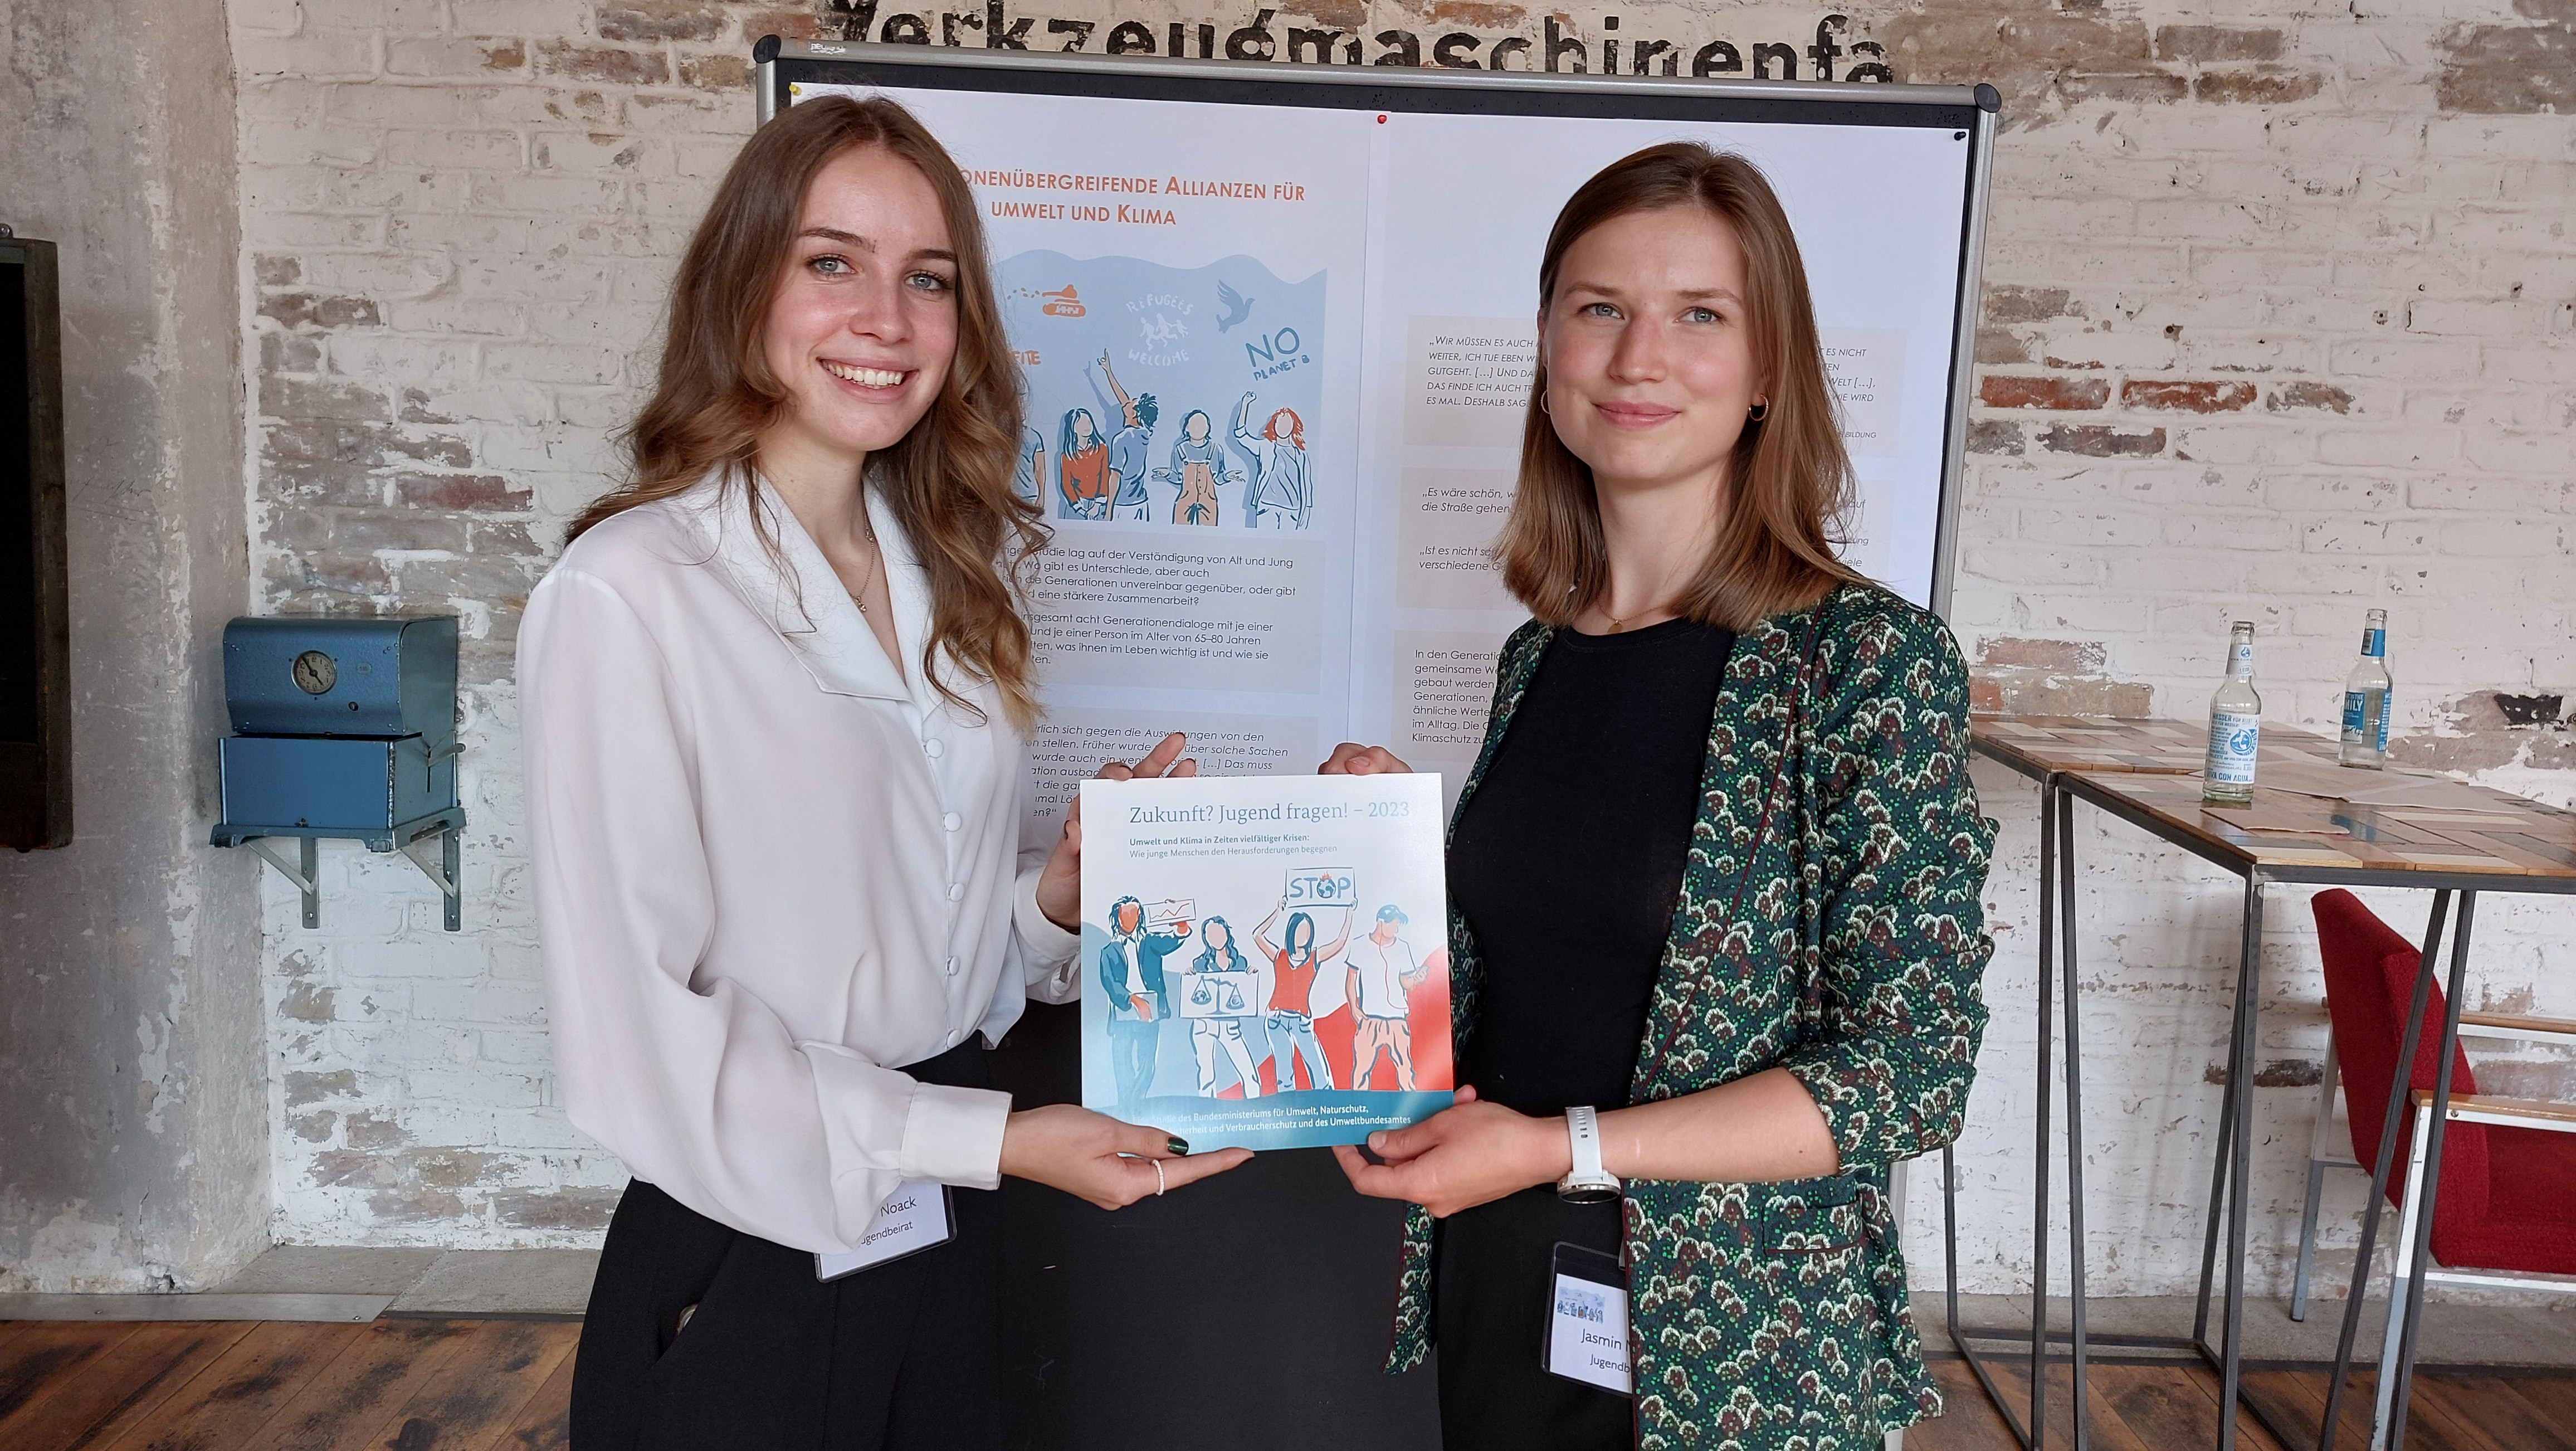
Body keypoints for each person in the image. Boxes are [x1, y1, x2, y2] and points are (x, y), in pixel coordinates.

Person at [520, 95, 1249, 1451]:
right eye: (831, 263)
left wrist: (1051, 902)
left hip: (947, 1231)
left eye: (929, 280)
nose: (887, 319)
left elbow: (924, 957)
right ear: (741, 286)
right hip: (751, 1240)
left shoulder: (944, 578)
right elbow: (640, 1043)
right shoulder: (628, 594)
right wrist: (996, 1141)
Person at [1321, 143, 1995, 1450]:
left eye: (1698, 315)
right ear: (1546, 348)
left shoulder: (1865, 663)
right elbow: (1550, 975)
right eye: (1599, 309)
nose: (1638, 358)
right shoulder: (1538, 655)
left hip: (1733, 1346)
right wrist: (1378, 858)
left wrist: (1558, 1150)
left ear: (1766, 371)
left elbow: (1908, 1073)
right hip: (1502, 1274)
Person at [1253, 900, 1352, 1092]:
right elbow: (1257, 936)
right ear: (1291, 932)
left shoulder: (1315, 957)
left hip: (1301, 1021)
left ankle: (1327, 1101)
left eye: (1307, 931)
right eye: (1299, 931)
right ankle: (1288, 1103)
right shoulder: (1279, 956)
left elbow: (1340, 943)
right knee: (1284, 1074)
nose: (1303, 936)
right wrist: (1278, 911)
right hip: (1276, 1019)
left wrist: (1349, 913)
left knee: (1319, 1071)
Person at [1097, 896, 1188, 1107]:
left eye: (1135, 914)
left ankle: (1134, 1105)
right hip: (1123, 1011)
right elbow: (1110, 983)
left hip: (1152, 1008)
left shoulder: (1150, 943)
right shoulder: (1109, 951)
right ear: (1117, 918)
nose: (1131, 918)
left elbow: (1173, 940)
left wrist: (1181, 923)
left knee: (1147, 1065)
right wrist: (1134, 1000)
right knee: (1123, 1066)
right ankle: (1126, 1110)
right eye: (1126, 914)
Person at [1343, 904, 1424, 1090]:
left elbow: (1406, 982)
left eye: (1398, 926)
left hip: (1397, 1019)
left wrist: (1417, 980)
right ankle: (1359, 1103)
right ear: (1382, 923)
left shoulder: (1403, 947)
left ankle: (1411, 1103)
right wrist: (1354, 1008)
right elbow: (1351, 980)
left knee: (1405, 1068)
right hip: (1370, 1019)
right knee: (1362, 1069)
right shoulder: (1359, 944)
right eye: (1394, 925)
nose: (1396, 930)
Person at [1181, 915, 1263, 1097]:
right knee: (1206, 1075)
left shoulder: (1240, 962)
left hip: (1230, 1026)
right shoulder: (1200, 964)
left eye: (1219, 932)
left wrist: (1250, 976)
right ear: (1205, 938)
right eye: (1210, 934)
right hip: (1204, 1025)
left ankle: (1256, 1106)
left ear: (1227, 933)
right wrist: (1190, 976)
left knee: (1249, 1073)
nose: (1215, 938)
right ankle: (1207, 1109)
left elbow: (1244, 997)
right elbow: (1194, 996)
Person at [1091, 353, 1159, 520]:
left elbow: (1115, 475)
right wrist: (1108, 371)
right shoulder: (1145, 434)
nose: (1127, 402)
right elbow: (1123, 399)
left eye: (1131, 403)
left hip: (1123, 504)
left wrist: (1109, 510)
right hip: (1141, 502)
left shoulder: (1122, 438)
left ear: (1135, 414)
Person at [1233, 393, 1313, 529]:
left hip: (1292, 509)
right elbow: (1241, 435)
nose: (1282, 426)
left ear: (1294, 426)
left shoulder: (1300, 454)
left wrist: (1306, 512)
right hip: (1266, 506)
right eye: (1279, 422)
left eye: (1287, 423)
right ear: (1274, 425)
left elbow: (1306, 485)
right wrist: (1245, 404)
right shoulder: (1265, 447)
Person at [1155, 408, 1231, 525]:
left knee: (1209, 532)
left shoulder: (1215, 449)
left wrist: (1227, 476)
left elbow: (1218, 479)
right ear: (1187, 428)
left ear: (1208, 428)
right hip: (1186, 499)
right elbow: (1178, 478)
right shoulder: (1180, 449)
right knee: (1179, 529)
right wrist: (1168, 474)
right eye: (1194, 424)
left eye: (1202, 425)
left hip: (1208, 500)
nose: (1198, 428)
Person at [1056, 406, 1109, 518]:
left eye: (1089, 422)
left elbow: (1105, 477)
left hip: (1098, 505)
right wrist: (1080, 509)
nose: (1087, 426)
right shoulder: (1067, 456)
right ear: (1073, 428)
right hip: (1077, 506)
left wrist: (1097, 506)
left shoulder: (1102, 449)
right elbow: (1066, 484)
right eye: (1082, 423)